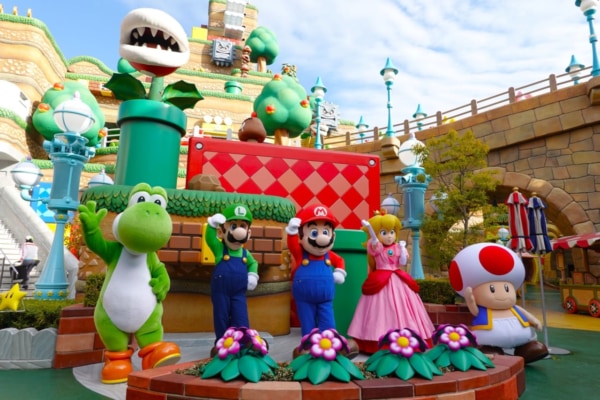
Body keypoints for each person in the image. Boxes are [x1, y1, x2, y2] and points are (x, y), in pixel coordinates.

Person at [347, 212, 435, 354]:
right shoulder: (377, 247)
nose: (389, 236)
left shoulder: (398, 247)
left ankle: (408, 338)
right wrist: (370, 229)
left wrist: (402, 249)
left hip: (399, 280)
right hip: (380, 280)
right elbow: (374, 242)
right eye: (384, 232)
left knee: (405, 307)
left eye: (392, 232)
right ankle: (374, 340)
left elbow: (403, 262)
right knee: (379, 309)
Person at [206, 204, 259, 340]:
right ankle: (222, 342)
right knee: (221, 316)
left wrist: (252, 275)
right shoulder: (219, 249)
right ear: (221, 232)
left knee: (241, 316)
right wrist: (212, 225)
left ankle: (242, 341)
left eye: (243, 226)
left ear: (248, 233)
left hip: (239, 293)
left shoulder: (245, 253)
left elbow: (253, 263)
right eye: (233, 226)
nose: (239, 232)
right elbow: (210, 239)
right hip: (221, 292)